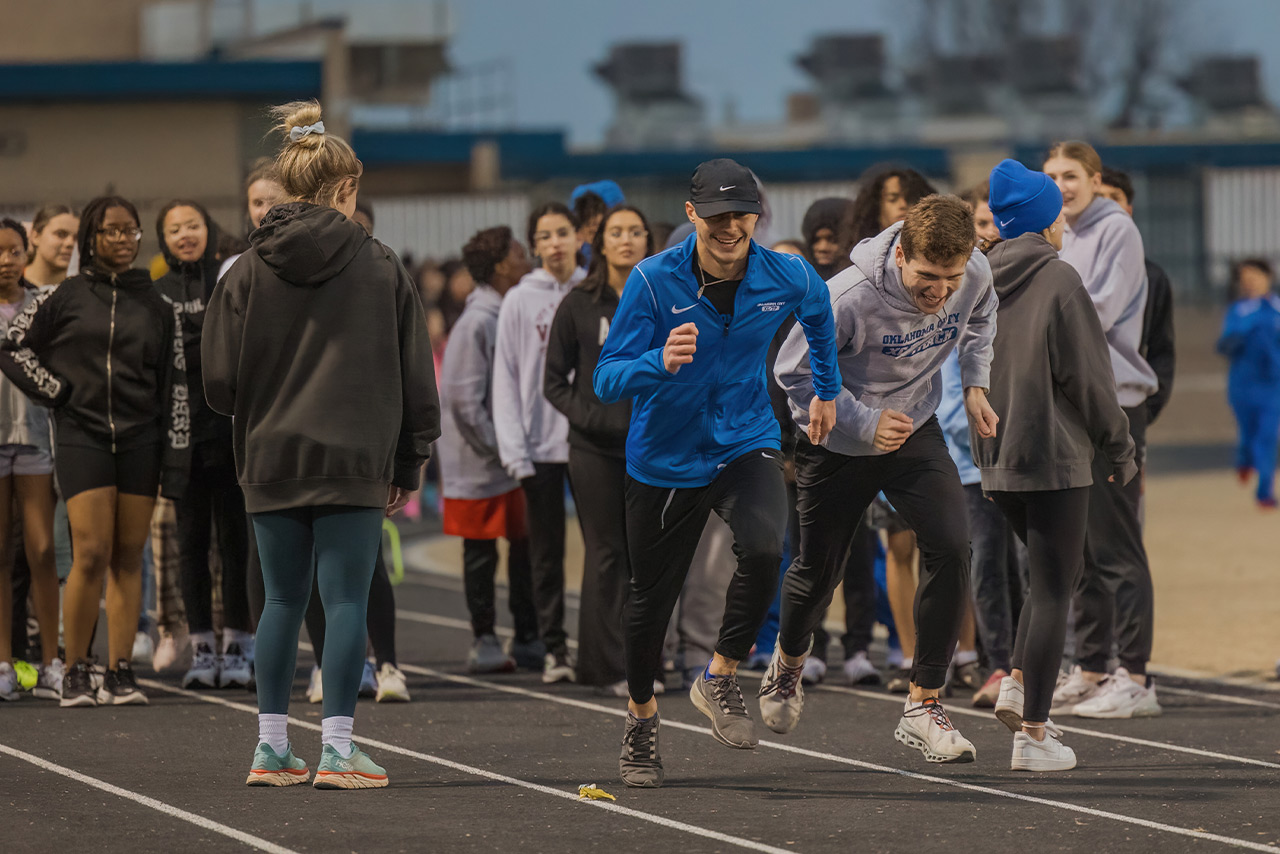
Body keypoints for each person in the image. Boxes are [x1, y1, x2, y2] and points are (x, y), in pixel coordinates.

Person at [204, 100, 439, 789]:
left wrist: (261, 413)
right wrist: (410, 457)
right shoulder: (381, 265)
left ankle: (271, 748)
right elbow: (413, 372)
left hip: (270, 456)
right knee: (343, 602)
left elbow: (218, 381)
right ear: (344, 189)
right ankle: (338, 749)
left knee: (279, 601)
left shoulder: (244, 271)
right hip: (354, 458)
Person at [594, 158, 841, 788]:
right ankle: (642, 720)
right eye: (717, 216)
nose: (730, 227)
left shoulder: (784, 272)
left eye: (742, 215)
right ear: (692, 215)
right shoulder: (653, 280)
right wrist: (656, 360)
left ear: (758, 215)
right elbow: (605, 377)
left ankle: (721, 673)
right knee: (652, 602)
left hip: (744, 440)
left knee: (764, 546)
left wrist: (827, 392)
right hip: (664, 458)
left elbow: (820, 315)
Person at [768, 194, 999, 765]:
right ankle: (788, 664)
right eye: (927, 277)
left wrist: (974, 384)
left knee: (951, 544)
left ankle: (924, 702)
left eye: (950, 278)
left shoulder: (971, 271)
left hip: (914, 426)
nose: (939, 292)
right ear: (900, 253)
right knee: (818, 570)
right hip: (838, 436)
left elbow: (982, 317)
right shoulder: (846, 295)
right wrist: (864, 423)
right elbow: (790, 373)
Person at [978, 159, 1139, 770]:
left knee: (1046, 579)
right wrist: (1121, 448)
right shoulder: (1060, 279)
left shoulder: (977, 280)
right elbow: (1092, 382)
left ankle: (1021, 680)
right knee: (1053, 590)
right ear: (1046, 221)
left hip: (998, 457)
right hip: (1055, 456)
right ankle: (1035, 736)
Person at [0, 196, 190, 708]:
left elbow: (175, 387)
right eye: (113, 231)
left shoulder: (156, 305)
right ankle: (77, 668)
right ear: (92, 236)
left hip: (141, 440)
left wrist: (176, 459)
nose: (124, 240)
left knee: (128, 557)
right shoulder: (62, 296)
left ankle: (120, 669)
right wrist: (57, 393)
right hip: (82, 436)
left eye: (131, 231)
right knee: (89, 554)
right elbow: (12, 346)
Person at [1043, 141, 1161, 719]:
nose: (1061, 185)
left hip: (1114, 403)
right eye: (1052, 175)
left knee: (1118, 548)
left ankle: (1136, 675)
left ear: (1094, 178)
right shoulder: (1059, 232)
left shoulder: (1117, 231)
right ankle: (1091, 667)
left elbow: (1098, 312)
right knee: (1083, 550)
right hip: (1070, 403)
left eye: (1071, 175)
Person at [545, 204, 653, 694]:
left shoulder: (665, 298)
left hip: (650, 446)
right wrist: (596, 417)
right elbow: (554, 382)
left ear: (649, 241)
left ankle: (642, 660)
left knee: (646, 555)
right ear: (601, 244)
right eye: (616, 232)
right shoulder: (578, 304)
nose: (626, 240)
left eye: (635, 231)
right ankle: (604, 667)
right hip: (593, 450)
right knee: (606, 553)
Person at [153, 200, 253, 691]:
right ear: (163, 239)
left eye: (193, 225)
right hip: (181, 442)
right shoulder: (156, 294)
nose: (185, 234)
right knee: (190, 547)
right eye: (174, 229)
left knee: (237, 545)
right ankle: (201, 645)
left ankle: (238, 644)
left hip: (231, 437)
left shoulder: (229, 278)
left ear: (208, 231)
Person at [439, 225, 541, 673]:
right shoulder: (478, 321)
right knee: (481, 552)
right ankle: (483, 637)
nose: (527, 257)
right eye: (520, 252)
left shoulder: (507, 312)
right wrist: (501, 449)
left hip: (512, 456)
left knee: (524, 547)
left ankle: (529, 634)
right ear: (501, 265)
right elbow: (463, 400)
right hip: (481, 462)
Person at [493, 202, 586, 684]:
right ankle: (556, 650)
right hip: (540, 447)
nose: (555, 243)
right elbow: (505, 379)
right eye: (545, 236)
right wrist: (514, 450)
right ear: (534, 246)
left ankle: (598, 646)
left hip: (591, 443)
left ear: (579, 237)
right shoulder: (519, 301)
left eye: (562, 233)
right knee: (544, 556)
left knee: (606, 552)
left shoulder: (595, 292)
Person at [0, 220, 60, 702]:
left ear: (27, 252)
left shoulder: (44, 305)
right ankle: (3, 662)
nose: (5, 260)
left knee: (41, 551)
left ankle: (50, 661)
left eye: (13, 250)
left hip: (36, 437)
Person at [1097, 167, 1176, 428]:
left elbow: (1161, 348)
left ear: (1128, 209)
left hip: (1127, 408)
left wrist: (1145, 410)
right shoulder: (1064, 267)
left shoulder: (1151, 277)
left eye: (1114, 197)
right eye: (1099, 197)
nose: (1107, 205)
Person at [1217, 259, 1280, 509]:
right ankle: (1244, 460)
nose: (1250, 281)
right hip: (1242, 385)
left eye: (1255, 276)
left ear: (1268, 278)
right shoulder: (1238, 312)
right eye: (1245, 277)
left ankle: (1264, 491)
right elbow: (1223, 345)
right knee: (1247, 435)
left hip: (1273, 385)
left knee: (1266, 436)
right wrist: (1245, 327)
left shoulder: (1277, 308)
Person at [24, 205, 79, 287]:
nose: (70, 243)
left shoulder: (82, 291)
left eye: (77, 238)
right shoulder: (9, 284)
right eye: (61, 234)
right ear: (35, 236)